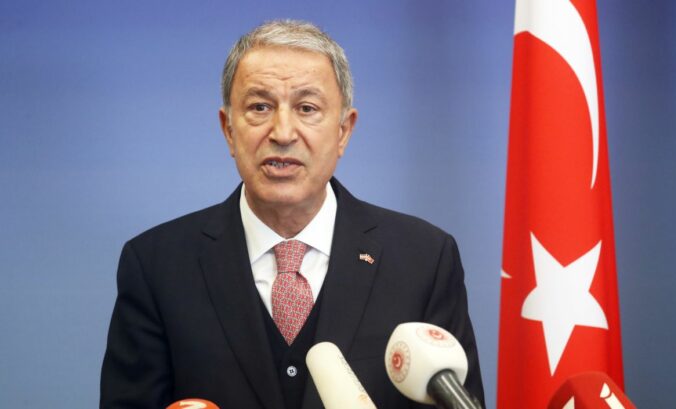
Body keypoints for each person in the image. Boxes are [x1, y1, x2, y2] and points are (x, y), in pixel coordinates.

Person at [100, 20, 485, 409]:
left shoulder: (423, 260)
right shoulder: (157, 266)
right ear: (228, 129)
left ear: (343, 131)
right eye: (260, 107)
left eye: (307, 108)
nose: (283, 132)